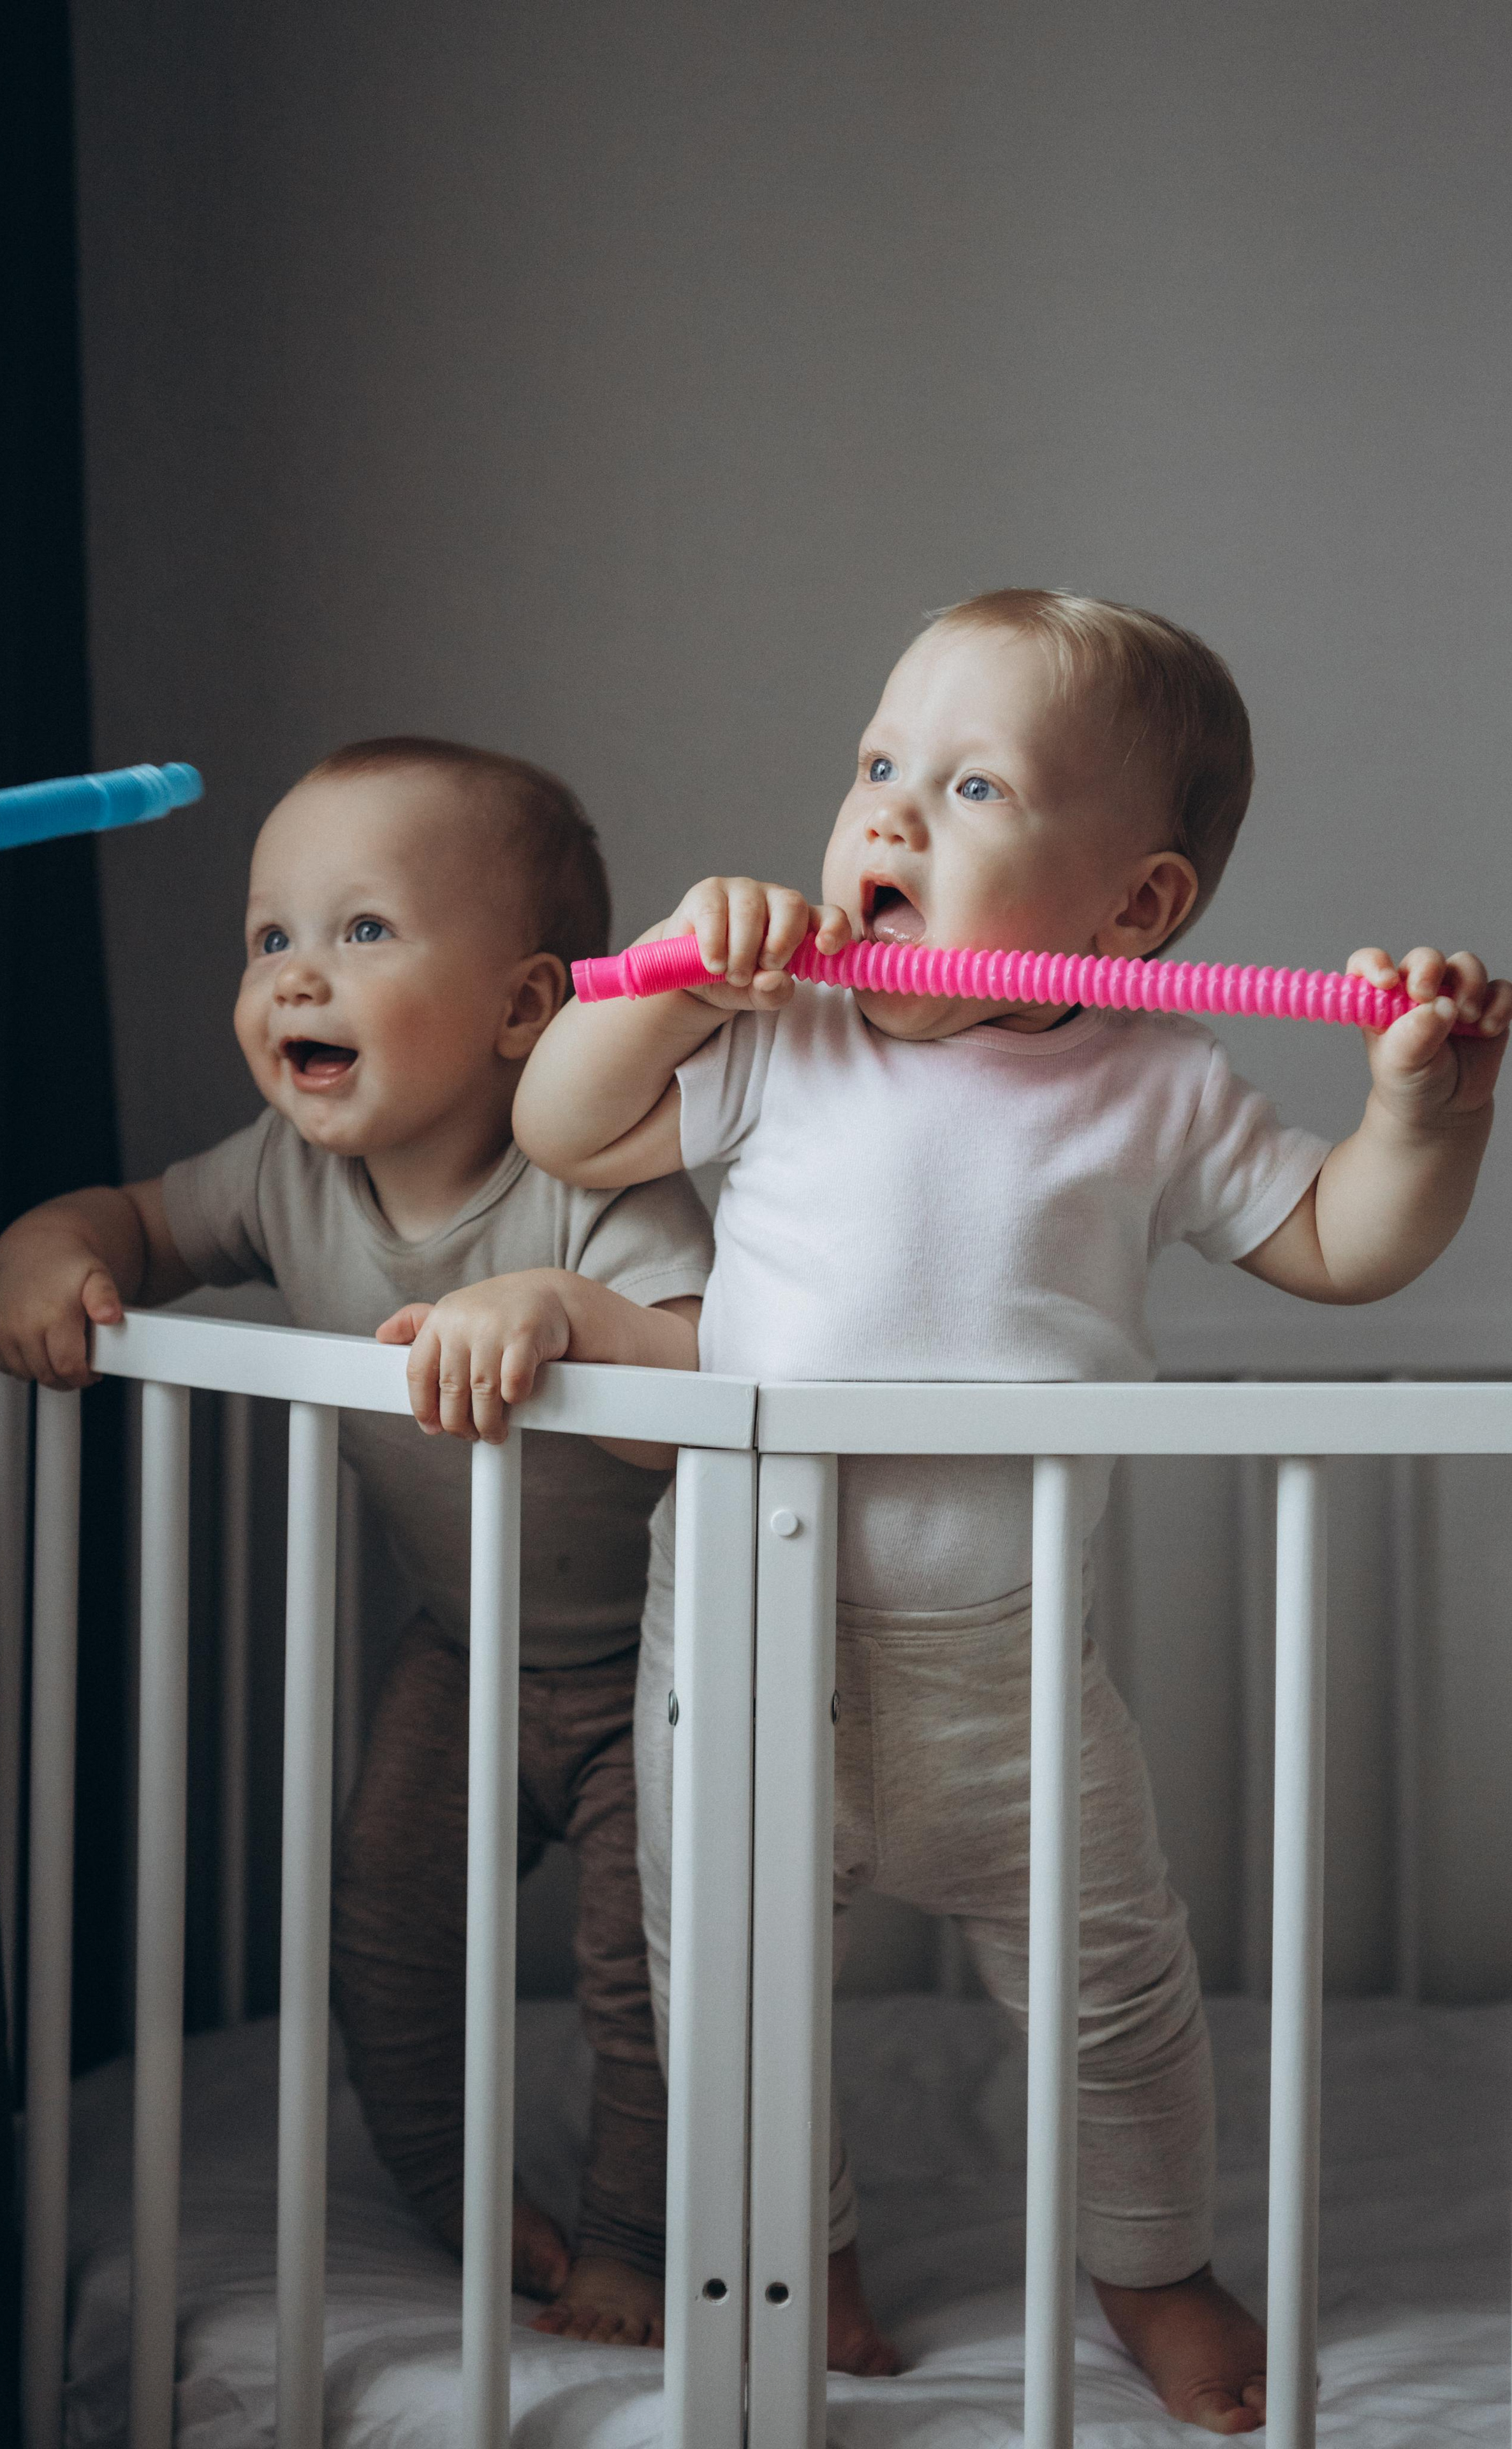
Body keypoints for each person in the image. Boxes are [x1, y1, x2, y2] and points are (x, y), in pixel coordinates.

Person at [511, 591, 1511, 2430]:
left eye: (971, 789)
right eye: (879, 766)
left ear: (1136, 912)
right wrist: (663, 970)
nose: (886, 817)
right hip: (741, 1636)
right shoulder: (778, 1030)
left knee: (1121, 1995)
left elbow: (1343, 1248)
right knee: (734, 1991)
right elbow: (569, 1128)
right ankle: (800, 2258)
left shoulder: (1155, 1086)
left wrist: (1425, 1119)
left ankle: (1154, 2268)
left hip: (1011, 1665)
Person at [0, 735, 714, 2348]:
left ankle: (636, 2245)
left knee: (646, 1988)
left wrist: (551, 1312)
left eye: (362, 933)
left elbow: (698, 1396)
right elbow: (129, 1223)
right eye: (269, 939)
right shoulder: (278, 1181)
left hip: (663, 1675)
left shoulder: (598, 1181)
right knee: (385, 1956)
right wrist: (48, 1250)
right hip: (457, 1658)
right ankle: (464, 2203)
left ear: (529, 1008)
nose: (294, 977)